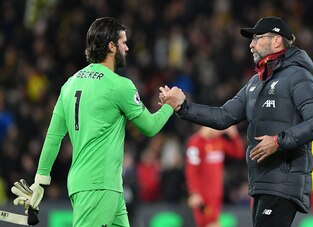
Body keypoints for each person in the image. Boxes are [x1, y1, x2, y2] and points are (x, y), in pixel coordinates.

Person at [11, 17, 185, 227]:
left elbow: (54, 136)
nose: (127, 48)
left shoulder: (69, 84)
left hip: (94, 185)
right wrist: (171, 105)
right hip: (98, 188)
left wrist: (40, 181)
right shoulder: (119, 85)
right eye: (123, 42)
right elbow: (149, 127)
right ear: (111, 46)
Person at [160, 16, 313, 227]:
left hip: (283, 183)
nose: (251, 45)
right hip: (261, 182)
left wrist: (277, 141)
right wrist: (183, 106)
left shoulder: (298, 76)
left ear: (277, 41)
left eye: (257, 38)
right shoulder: (255, 82)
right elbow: (223, 116)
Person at [185, 125, 244, 227]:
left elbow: (238, 153)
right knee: (210, 224)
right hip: (203, 196)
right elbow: (191, 170)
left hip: (216, 193)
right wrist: (194, 192)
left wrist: (234, 136)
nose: (221, 131)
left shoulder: (218, 141)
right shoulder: (195, 143)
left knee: (213, 223)